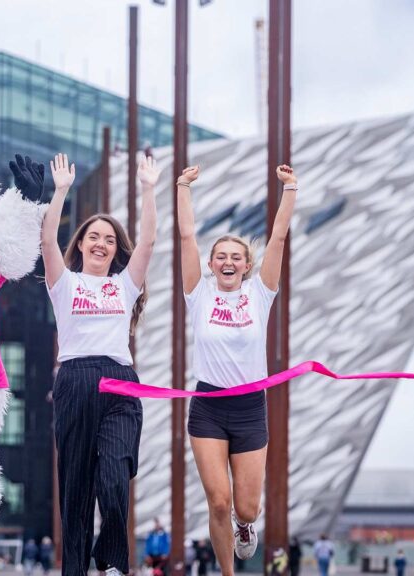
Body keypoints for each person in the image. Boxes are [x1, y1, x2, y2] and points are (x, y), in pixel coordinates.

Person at [176, 162, 299, 576]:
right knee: (219, 502)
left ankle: (246, 528)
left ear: (246, 266)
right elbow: (187, 236)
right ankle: (227, 573)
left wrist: (290, 190)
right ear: (211, 265)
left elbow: (279, 237)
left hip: (249, 408)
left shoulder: (260, 293)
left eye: (236, 257)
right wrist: (182, 187)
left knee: (245, 507)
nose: (228, 262)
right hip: (208, 406)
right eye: (221, 257)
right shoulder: (199, 293)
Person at [42, 153, 160, 576]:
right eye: (94, 236)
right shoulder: (64, 283)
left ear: (115, 249)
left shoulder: (124, 285)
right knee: (74, 493)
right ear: (82, 243)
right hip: (75, 381)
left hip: (120, 386)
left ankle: (110, 562)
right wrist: (60, 192)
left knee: (113, 479)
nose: (101, 243)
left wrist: (148, 188)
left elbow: (147, 242)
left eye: (109, 239)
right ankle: (73, 570)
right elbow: (47, 241)